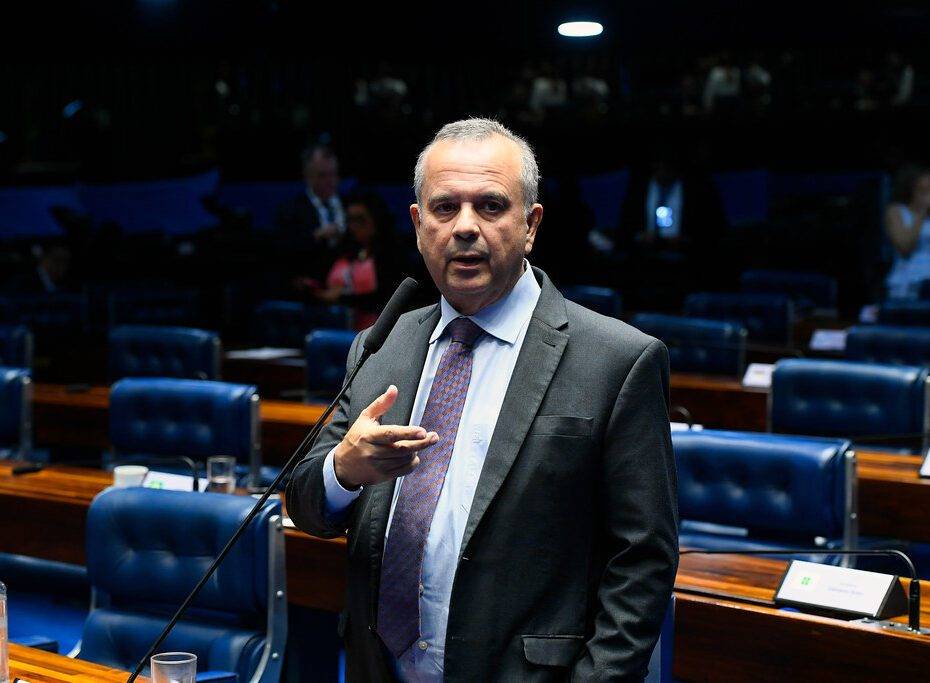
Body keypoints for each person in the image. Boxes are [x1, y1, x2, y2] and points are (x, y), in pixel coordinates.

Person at [286, 118, 678, 681]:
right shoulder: (383, 345)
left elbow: (643, 562)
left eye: (491, 206)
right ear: (419, 225)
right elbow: (305, 504)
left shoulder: (617, 360)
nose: (465, 228)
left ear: (531, 224)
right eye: (445, 209)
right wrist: (342, 470)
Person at [301, 191, 406, 330]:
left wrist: (341, 299)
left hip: (375, 332)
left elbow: (385, 300)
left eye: (360, 220)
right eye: (350, 220)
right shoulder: (341, 251)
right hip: (335, 322)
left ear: (376, 220)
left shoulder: (391, 255)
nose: (353, 226)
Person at [276, 145, 346, 279]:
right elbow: (284, 251)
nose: (330, 181)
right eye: (322, 175)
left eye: (333, 174)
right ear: (308, 176)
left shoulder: (351, 205)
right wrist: (316, 236)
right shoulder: (290, 210)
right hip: (310, 282)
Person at [885, 165, 930, 300]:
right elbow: (904, 247)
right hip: (910, 282)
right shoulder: (896, 212)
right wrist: (922, 211)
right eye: (924, 191)